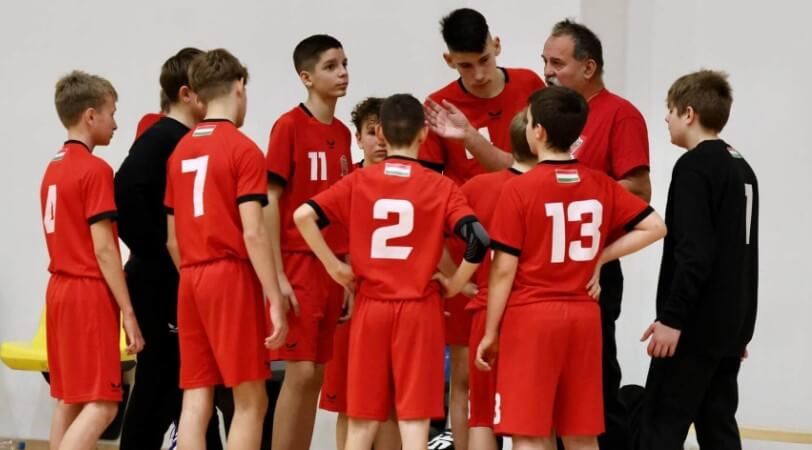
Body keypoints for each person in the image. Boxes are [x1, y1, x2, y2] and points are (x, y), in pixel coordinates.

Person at [475, 86, 666, 450]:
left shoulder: (520, 189)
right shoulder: (600, 183)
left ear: (537, 131)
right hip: (583, 318)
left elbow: (503, 269)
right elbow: (656, 226)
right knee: (580, 435)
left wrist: (490, 331)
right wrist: (600, 257)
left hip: (531, 317)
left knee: (530, 434)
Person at [294, 94, 488, 450]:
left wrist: (335, 267)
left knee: (361, 423)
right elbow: (478, 238)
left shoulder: (358, 181)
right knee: (414, 424)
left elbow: (303, 215)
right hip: (419, 310)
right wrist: (455, 284)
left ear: (381, 133)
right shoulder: (441, 186)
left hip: (371, 308)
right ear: (424, 134)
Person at [420, 10, 545, 447]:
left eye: (484, 61)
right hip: (471, 258)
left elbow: (534, 173)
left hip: (528, 255)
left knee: (530, 372)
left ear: (497, 45)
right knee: (467, 376)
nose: (476, 74)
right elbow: (428, 202)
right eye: (464, 65)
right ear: (448, 60)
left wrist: (472, 138)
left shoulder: (529, 85)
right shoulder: (437, 106)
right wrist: (451, 272)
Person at [164, 48, 287, 450]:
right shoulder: (243, 148)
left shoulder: (180, 151)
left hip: (190, 277)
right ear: (239, 87)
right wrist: (274, 297)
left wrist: (196, 277)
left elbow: (172, 240)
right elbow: (253, 233)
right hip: (229, 276)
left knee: (196, 396)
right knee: (251, 400)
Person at [540, 19, 651, 449]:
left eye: (557, 63)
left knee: (595, 379)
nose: (547, 71)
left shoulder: (620, 114)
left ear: (588, 67)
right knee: (550, 385)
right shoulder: (547, 114)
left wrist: (580, 193)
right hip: (546, 268)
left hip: (593, 267)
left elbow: (639, 189)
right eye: (545, 61)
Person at [115, 47, 229, 450]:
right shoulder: (162, 138)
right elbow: (125, 194)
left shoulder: (186, 140)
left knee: (189, 383)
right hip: (158, 283)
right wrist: (163, 255)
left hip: (175, 281)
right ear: (187, 93)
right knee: (158, 382)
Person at [639, 70, 758, 450]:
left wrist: (672, 319)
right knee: (717, 426)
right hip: (727, 326)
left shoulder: (694, 166)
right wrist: (741, 329)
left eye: (670, 110)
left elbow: (694, 253)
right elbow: (743, 256)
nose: (666, 118)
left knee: (659, 426)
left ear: (688, 113)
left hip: (692, 327)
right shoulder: (741, 166)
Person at [41, 70, 145, 450]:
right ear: (90, 115)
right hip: (87, 293)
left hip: (58, 291)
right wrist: (128, 312)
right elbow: (104, 249)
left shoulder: (52, 168)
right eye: (111, 113)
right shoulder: (95, 170)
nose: (115, 124)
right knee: (103, 405)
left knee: (68, 399)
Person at [264, 33, 353, 450]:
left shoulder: (343, 133)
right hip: (298, 261)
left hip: (332, 264)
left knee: (316, 374)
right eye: (331, 66)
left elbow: (343, 208)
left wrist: (346, 268)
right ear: (306, 77)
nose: (343, 73)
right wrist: (277, 275)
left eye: (345, 64)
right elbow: (270, 200)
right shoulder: (288, 126)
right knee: (298, 373)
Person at [319, 96, 400, 450]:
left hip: (397, 304)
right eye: (371, 132)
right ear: (358, 138)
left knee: (393, 404)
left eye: (387, 133)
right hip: (352, 301)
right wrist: (338, 270)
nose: (379, 141)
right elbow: (310, 225)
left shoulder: (411, 182)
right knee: (349, 403)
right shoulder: (344, 183)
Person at [460, 110, 535, 450]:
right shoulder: (552, 188)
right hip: (534, 311)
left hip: (487, 305)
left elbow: (435, 234)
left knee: (482, 415)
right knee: (535, 422)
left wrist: (456, 281)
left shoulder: (477, 187)